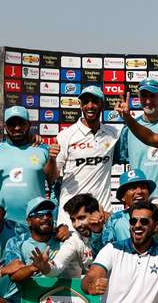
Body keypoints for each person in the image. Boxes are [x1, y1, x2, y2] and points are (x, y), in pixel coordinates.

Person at [46, 86, 120, 227]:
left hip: (101, 215)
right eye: (85, 102)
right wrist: (51, 159)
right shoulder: (65, 136)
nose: (90, 106)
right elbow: (51, 178)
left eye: (94, 101)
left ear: (102, 105)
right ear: (80, 105)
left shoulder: (113, 134)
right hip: (72, 218)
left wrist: (127, 117)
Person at [0, 106, 53, 223]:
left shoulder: (43, 149)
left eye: (21, 123)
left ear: (29, 124)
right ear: (5, 126)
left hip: (35, 224)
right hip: (2, 225)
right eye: (12, 124)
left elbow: (55, 186)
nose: (17, 128)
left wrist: (53, 215)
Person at [62, 193, 108, 266]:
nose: (77, 225)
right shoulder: (75, 237)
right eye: (73, 220)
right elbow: (58, 263)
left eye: (81, 218)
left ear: (96, 214)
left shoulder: (114, 230)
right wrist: (47, 267)